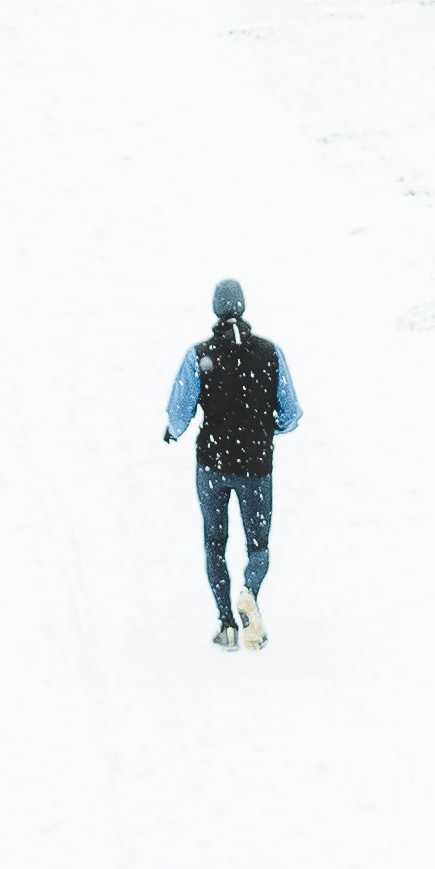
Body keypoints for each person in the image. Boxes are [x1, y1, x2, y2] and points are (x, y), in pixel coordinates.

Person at [163, 277, 300, 647]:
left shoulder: (199, 355)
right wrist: (264, 427)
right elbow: (291, 413)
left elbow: (179, 411)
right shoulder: (271, 354)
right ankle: (249, 591)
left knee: (214, 544)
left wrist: (172, 431)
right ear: (243, 306)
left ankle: (226, 623)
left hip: (213, 465)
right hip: (256, 465)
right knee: (258, 547)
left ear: (215, 308)